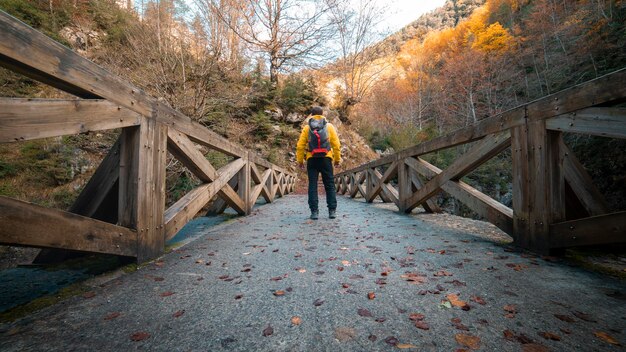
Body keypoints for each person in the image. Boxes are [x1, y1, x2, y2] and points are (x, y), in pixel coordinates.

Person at [296, 106, 342, 220]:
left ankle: (314, 212)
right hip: (326, 158)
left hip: (312, 159)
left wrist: (300, 161)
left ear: (311, 114)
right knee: (330, 185)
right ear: (323, 114)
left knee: (312, 185)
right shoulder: (329, 126)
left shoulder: (307, 128)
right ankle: (332, 211)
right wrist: (337, 159)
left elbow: (300, 146)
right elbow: (336, 145)